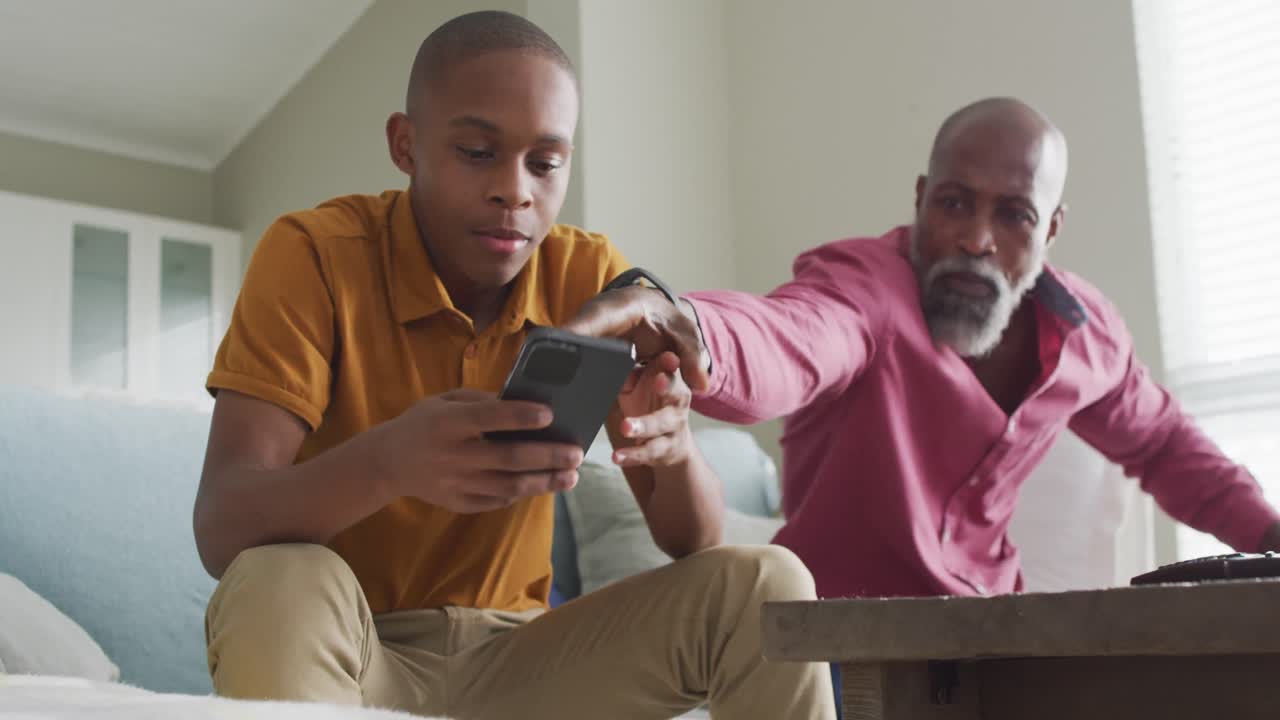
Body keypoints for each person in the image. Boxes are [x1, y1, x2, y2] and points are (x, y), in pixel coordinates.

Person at [193, 10, 834, 720]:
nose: (515, 191)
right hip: (352, 651)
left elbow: (692, 544)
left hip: (526, 666)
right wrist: (388, 464)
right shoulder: (312, 255)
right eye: (476, 151)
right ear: (405, 145)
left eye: (546, 162)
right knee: (278, 574)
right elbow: (223, 527)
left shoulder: (591, 276)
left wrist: (675, 448)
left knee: (767, 581)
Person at [567, 97, 1280, 602]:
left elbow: (1165, 449)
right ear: (920, 198)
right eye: (954, 202)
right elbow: (795, 336)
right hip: (840, 642)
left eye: (1014, 214)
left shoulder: (1087, 334)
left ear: (1052, 230)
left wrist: (1272, 533)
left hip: (996, 637)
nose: (976, 238)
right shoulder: (866, 288)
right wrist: (694, 328)